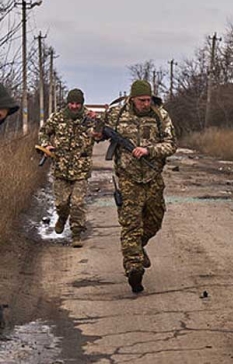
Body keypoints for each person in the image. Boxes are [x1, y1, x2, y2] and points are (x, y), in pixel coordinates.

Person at [102, 80, 176, 293]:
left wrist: (149, 150)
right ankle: (134, 269)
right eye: (142, 100)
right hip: (128, 179)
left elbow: (171, 144)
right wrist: (97, 133)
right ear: (132, 98)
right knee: (131, 225)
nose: (146, 103)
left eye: (148, 99)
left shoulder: (160, 115)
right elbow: (97, 132)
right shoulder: (116, 114)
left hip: (153, 177)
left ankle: (137, 247)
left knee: (155, 220)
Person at [38, 88, 96, 248]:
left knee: (77, 203)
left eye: (78, 103)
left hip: (81, 170)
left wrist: (98, 120)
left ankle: (76, 233)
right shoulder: (58, 118)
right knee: (61, 203)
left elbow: (101, 132)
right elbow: (43, 132)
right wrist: (46, 145)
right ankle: (62, 217)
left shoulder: (90, 118)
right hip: (61, 168)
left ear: (82, 103)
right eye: (72, 103)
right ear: (68, 103)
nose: (75, 106)